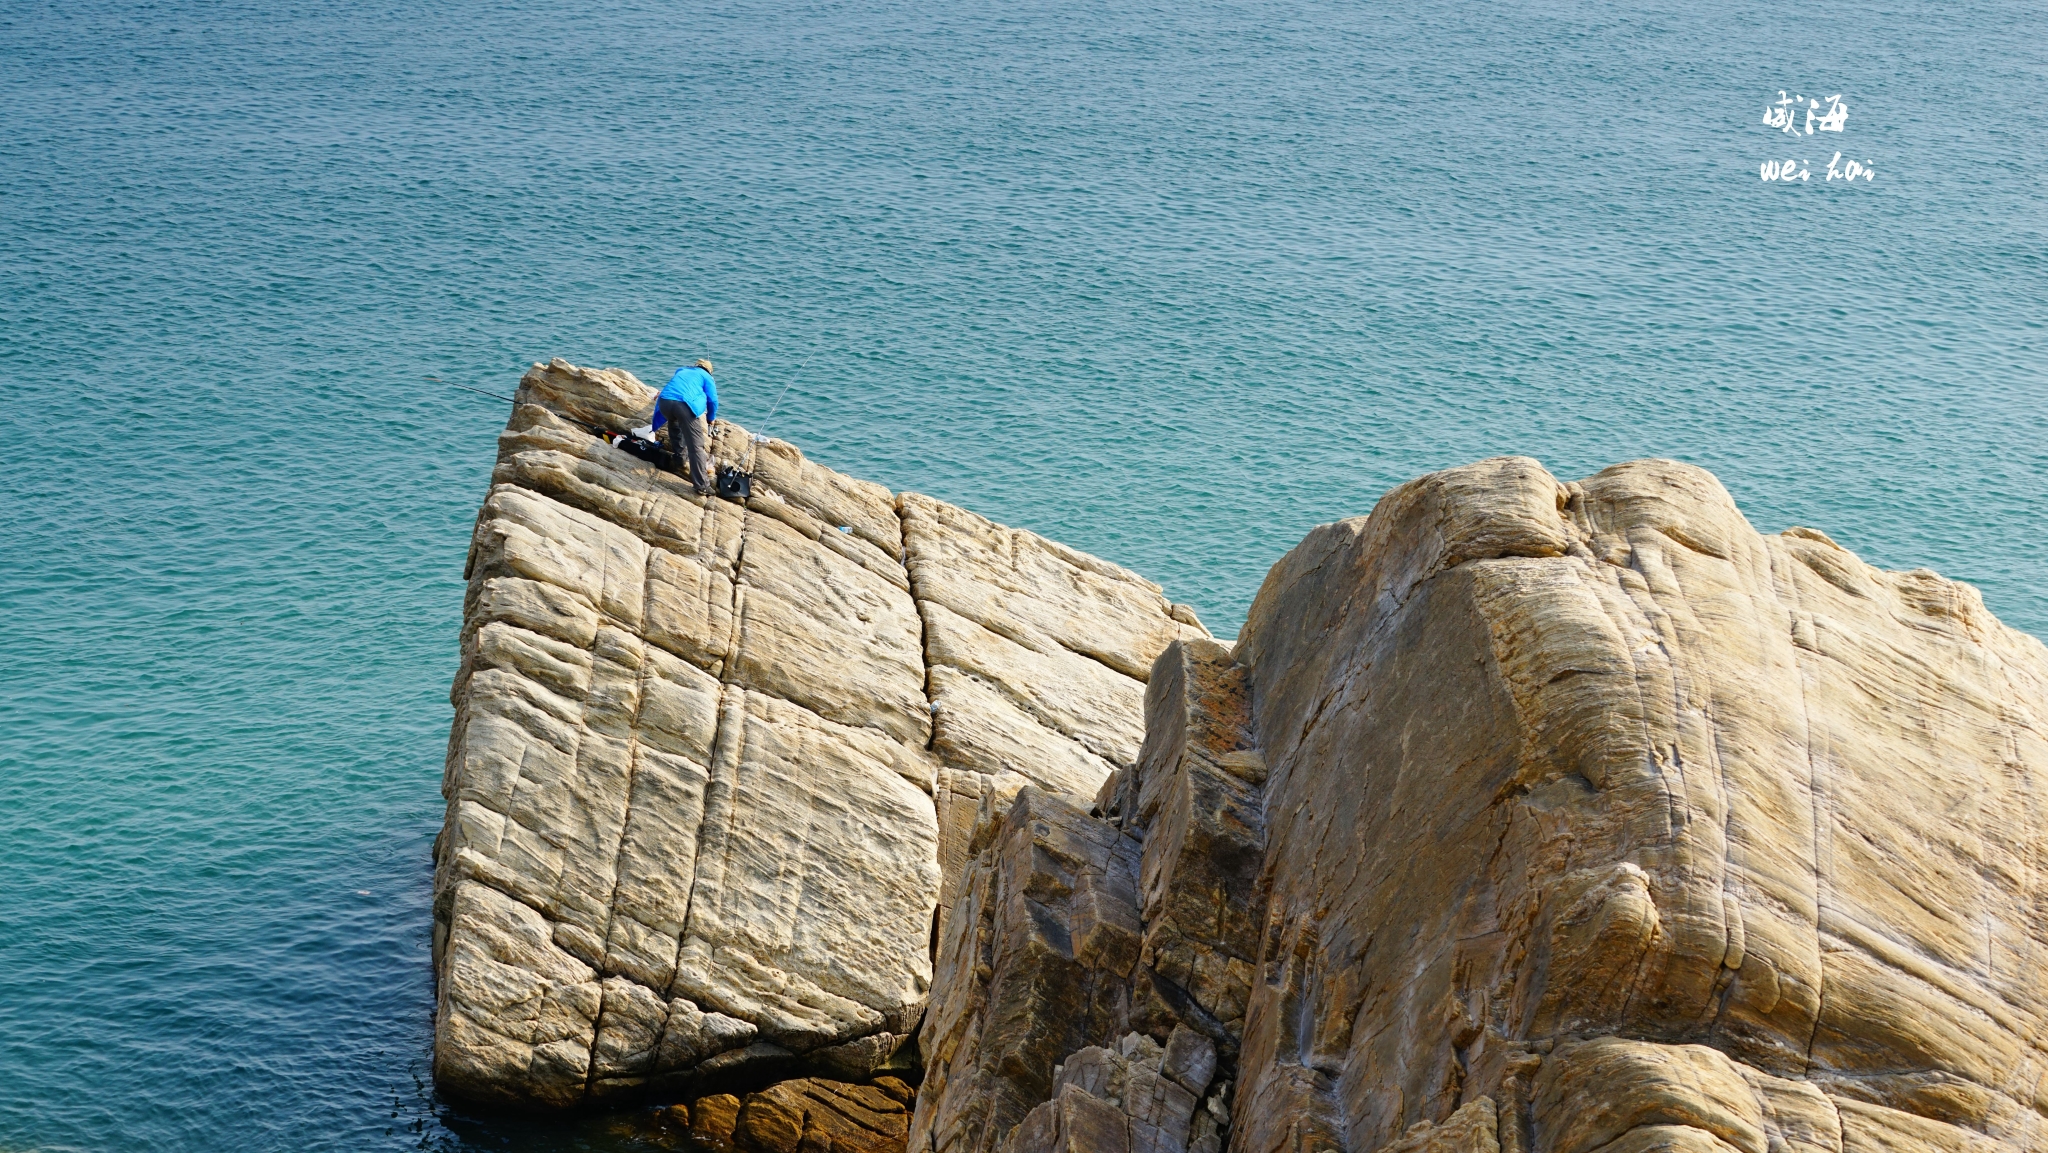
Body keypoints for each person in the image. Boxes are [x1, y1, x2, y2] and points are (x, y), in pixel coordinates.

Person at [650, 358, 720, 495]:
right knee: (696, 447)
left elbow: (675, 386)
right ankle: (702, 485)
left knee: (675, 427)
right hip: (683, 405)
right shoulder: (707, 377)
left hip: (664, 402)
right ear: (709, 370)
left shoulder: (682, 370)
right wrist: (711, 418)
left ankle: (680, 460)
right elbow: (713, 400)